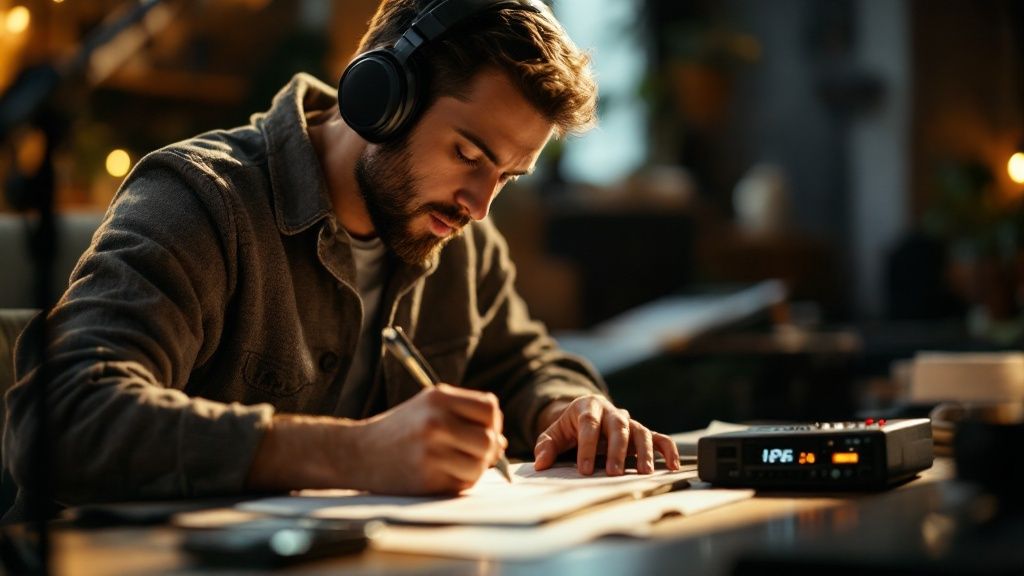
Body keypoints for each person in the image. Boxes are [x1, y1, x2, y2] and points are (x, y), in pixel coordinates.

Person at [3, 0, 679, 511]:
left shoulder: (462, 242)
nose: (478, 205)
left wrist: (569, 406)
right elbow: (60, 417)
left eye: (505, 177)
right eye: (468, 154)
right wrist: (354, 453)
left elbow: (526, 361)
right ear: (380, 99)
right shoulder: (201, 201)